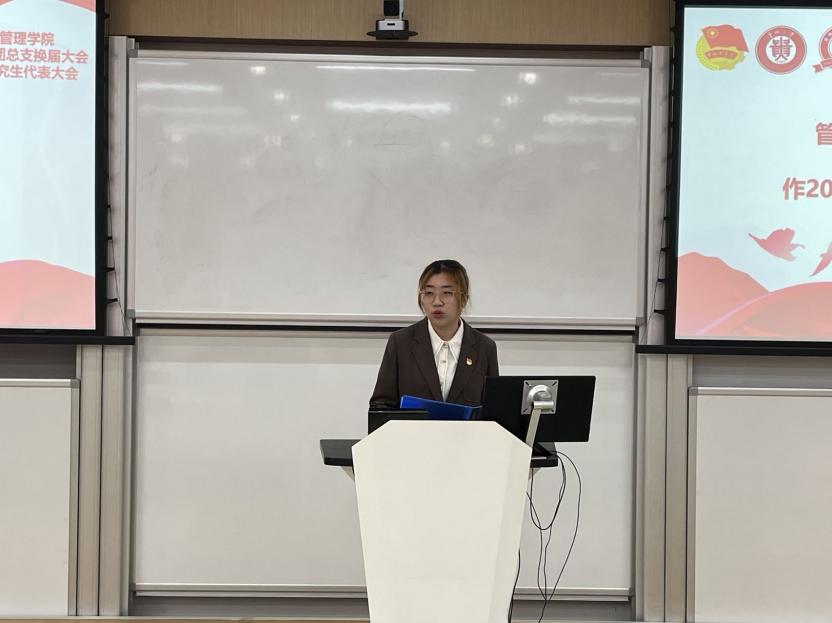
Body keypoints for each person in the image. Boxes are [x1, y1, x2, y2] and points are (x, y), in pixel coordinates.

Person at [369, 259, 499, 407]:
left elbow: (494, 410)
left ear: (463, 299)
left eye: (447, 293)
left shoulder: (484, 348)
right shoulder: (401, 342)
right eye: (429, 293)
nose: (437, 302)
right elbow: (380, 406)